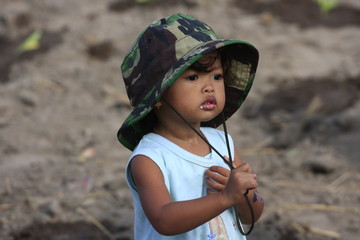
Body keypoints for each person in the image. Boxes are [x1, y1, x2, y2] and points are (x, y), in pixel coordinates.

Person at [117, 13, 264, 239]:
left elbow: (251, 215)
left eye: (216, 76)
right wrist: (225, 197)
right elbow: (164, 220)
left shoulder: (222, 142)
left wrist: (245, 193)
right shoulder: (150, 158)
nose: (209, 87)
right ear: (158, 95)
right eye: (193, 78)